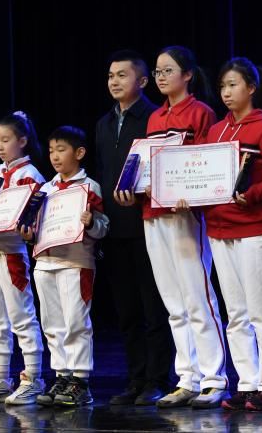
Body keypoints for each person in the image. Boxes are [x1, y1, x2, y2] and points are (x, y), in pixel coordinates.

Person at [116, 45, 227, 409]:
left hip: (185, 215)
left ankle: (214, 378)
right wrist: (131, 189)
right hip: (152, 214)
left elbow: (208, 165)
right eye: (159, 72)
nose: (162, 77)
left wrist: (191, 195)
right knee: (173, 302)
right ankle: (188, 377)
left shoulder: (201, 113)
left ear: (188, 75)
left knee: (198, 297)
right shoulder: (154, 118)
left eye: (168, 70)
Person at [203, 57, 262, 412]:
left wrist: (253, 194)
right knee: (236, 314)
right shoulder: (216, 131)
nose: (226, 93)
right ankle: (248, 382)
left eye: (234, 85)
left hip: (253, 229)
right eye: (223, 86)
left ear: (252, 88)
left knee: (260, 312)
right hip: (218, 229)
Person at [95, 50, 173, 405]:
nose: (114, 81)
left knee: (153, 307)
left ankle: (158, 378)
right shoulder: (104, 123)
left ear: (142, 82)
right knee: (127, 310)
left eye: (122, 75)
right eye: (111, 75)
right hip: (114, 228)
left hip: (146, 224)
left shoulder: (153, 118)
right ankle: (136, 378)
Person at [21, 125, 109, 406]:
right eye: (51, 151)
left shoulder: (88, 187)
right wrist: (29, 233)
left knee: (76, 322)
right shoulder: (45, 189)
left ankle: (80, 381)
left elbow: (103, 227)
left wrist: (91, 222)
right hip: (45, 263)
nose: (55, 157)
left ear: (79, 153)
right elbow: (35, 226)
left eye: (61, 150)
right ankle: (62, 374)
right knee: (53, 324)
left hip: (76, 262)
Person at [0, 112, 45, 405]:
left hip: (10, 253)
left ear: (23, 141)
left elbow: (31, 219)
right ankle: (0, 377)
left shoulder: (29, 176)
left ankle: (33, 377)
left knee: (21, 316)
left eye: (6, 140)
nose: (0, 147)